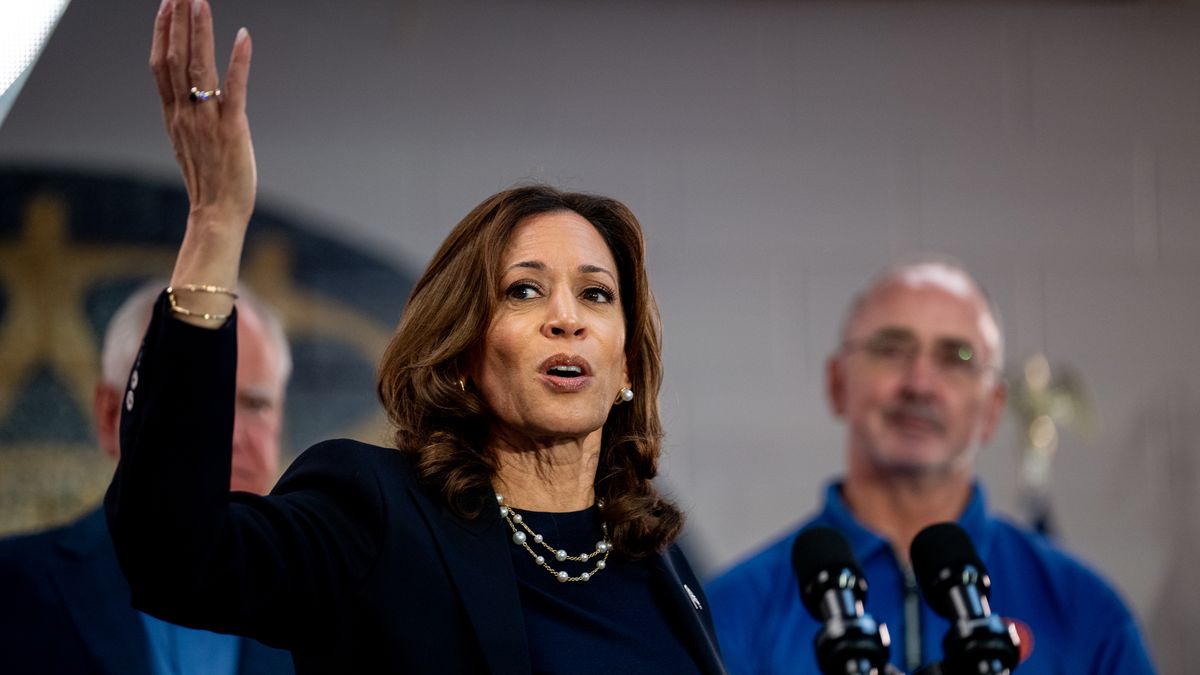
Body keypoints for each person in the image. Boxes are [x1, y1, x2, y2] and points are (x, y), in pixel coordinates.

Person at [104, 1, 724, 673]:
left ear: (625, 362)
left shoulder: (658, 560)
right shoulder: (376, 515)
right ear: (461, 353)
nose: (566, 317)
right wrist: (216, 224)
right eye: (523, 290)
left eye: (596, 294)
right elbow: (174, 557)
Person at [706, 258, 1156, 675]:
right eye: (890, 348)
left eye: (956, 357)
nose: (920, 383)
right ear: (838, 383)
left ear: (994, 407)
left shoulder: (1086, 612)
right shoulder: (733, 612)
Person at [0, 282, 295, 675]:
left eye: (256, 404)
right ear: (110, 416)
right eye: (193, 401)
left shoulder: (331, 615)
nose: (229, 434)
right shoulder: (10, 589)